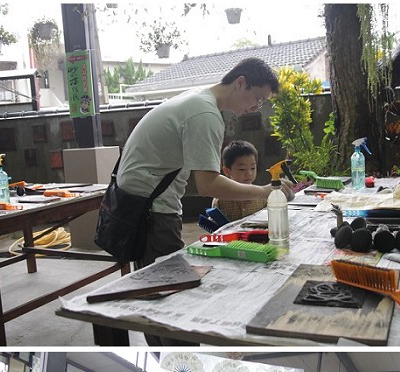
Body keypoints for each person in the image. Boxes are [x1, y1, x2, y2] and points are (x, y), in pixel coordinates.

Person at [116, 57, 293, 270]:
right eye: (258, 98)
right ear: (240, 83)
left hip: (137, 201)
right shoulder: (205, 114)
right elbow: (208, 185)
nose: (256, 107)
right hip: (150, 207)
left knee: (158, 276)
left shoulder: (198, 98)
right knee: (168, 280)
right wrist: (265, 192)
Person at [211, 140, 267, 221]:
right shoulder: (221, 200)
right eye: (242, 169)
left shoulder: (262, 197)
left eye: (253, 168)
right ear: (227, 171)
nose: (249, 173)